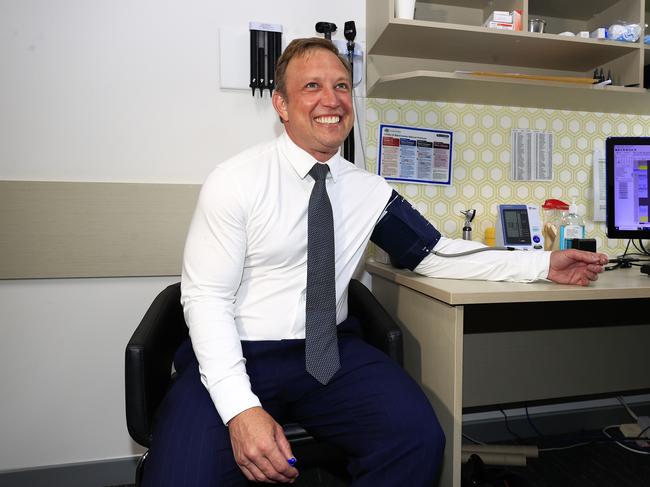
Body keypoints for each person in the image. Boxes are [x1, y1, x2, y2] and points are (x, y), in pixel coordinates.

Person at [142, 37, 609, 486]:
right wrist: (242, 409)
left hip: (329, 356)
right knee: (181, 476)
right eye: (312, 86)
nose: (333, 98)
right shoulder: (235, 182)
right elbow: (205, 299)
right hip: (241, 351)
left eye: (342, 85)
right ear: (281, 105)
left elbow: (435, 253)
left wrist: (543, 265)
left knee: (417, 439)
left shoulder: (369, 190)